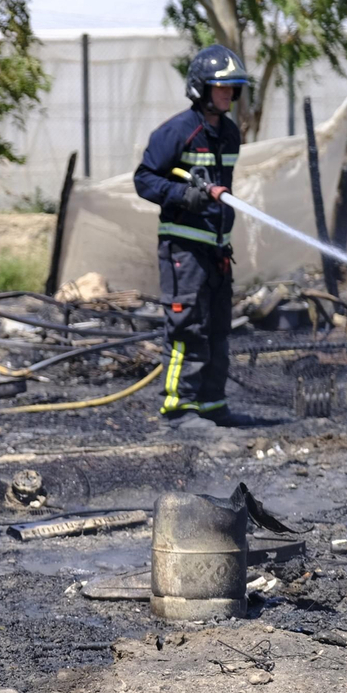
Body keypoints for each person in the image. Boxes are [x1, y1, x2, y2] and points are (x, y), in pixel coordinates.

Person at [134, 44, 250, 427]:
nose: (229, 95)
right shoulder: (177, 132)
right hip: (183, 248)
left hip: (216, 249)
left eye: (233, 88)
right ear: (201, 88)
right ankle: (179, 407)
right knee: (187, 329)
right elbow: (144, 179)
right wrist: (183, 195)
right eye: (222, 87)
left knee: (218, 327)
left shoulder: (230, 134)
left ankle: (212, 404)